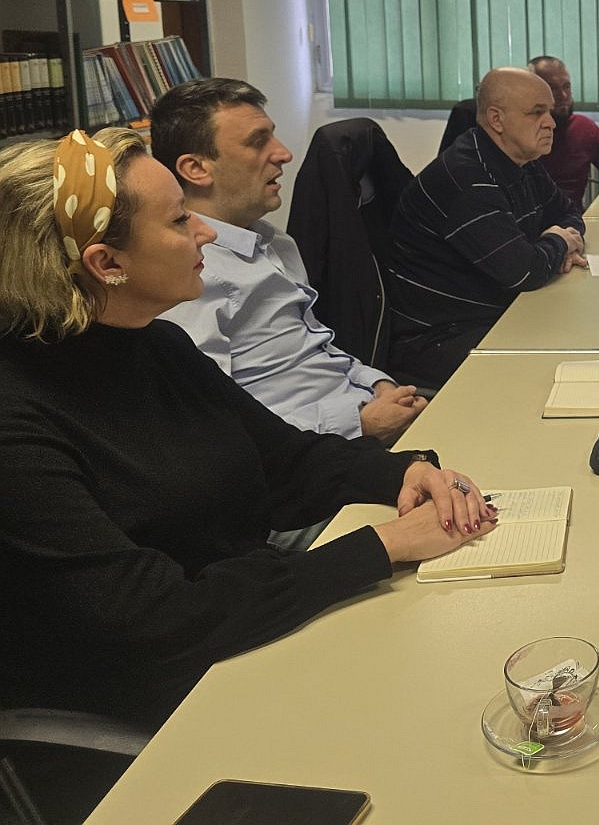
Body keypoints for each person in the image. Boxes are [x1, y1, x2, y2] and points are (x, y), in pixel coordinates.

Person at [0, 128, 495, 727]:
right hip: (167, 697)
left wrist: (401, 472)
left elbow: (284, 461)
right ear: (107, 264)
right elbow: (158, 620)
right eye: (179, 220)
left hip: (250, 632)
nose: (206, 232)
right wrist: (385, 546)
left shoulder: (156, 343)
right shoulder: (18, 419)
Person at [150, 78, 425, 446]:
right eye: (257, 142)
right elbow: (215, 428)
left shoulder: (273, 240)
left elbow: (314, 343)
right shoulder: (189, 275)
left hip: (360, 415)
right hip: (317, 452)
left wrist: (377, 383)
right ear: (196, 169)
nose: (283, 154)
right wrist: (357, 423)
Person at [387, 67, 587, 387]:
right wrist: (559, 242)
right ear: (496, 120)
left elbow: (569, 213)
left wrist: (558, 242)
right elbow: (524, 272)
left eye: (549, 112)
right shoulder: (466, 180)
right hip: (442, 338)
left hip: (498, 311)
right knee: (567, 367)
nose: (551, 122)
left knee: (581, 333)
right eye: (537, 112)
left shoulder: (522, 160)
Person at [530, 55, 599, 205]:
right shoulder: (520, 131)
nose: (563, 95)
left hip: (572, 216)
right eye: (553, 89)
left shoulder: (583, 128)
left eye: (566, 86)